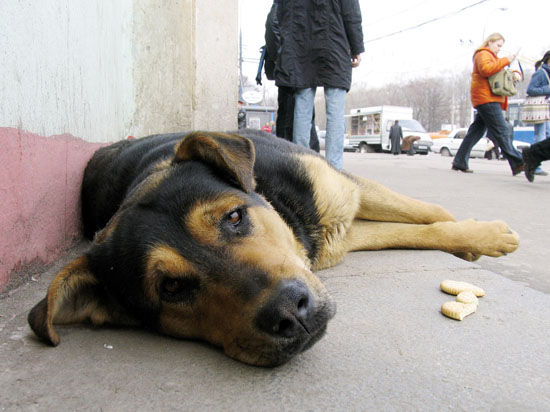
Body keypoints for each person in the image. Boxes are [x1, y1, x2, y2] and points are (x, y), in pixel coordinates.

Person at [274, 0, 364, 170]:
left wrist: (287, 46)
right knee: (335, 111)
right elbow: (351, 12)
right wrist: (356, 46)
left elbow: (281, 14)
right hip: (335, 45)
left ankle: (302, 167)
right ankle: (334, 170)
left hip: (301, 47)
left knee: (302, 106)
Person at [451, 33, 524, 175]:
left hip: (486, 98)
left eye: (501, 46)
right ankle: (518, 162)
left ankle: (459, 161)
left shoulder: (491, 56)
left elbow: (498, 71)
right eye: (498, 45)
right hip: (487, 99)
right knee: (502, 130)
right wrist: (506, 60)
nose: (499, 49)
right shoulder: (483, 54)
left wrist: (514, 72)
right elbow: (486, 70)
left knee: (475, 132)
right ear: (489, 42)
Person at [259, 1, 320, 152]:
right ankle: (295, 161)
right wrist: (280, 57)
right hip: (294, 67)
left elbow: (272, 25)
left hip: (293, 66)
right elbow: (272, 25)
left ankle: (297, 160)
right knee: (292, 118)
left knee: (294, 118)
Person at [525, 50, 550, 176]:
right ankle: (533, 156)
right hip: (541, 109)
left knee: (546, 134)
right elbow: (530, 89)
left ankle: (533, 155)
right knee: (541, 134)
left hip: (546, 110)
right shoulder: (541, 73)